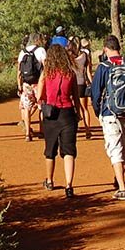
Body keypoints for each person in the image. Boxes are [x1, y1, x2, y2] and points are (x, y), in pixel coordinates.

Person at [89, 35, 125, 201]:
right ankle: (121, 182)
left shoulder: (103, 67)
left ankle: (121, 186)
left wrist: (97, 111)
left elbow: (95, 93)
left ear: (105, 49)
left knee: (116, 149)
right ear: (118, 48)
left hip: (110, 113)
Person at [36, 43, 81, 198]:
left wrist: (43, 101)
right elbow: (76, 97)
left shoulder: (47, 73)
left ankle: (49, 180)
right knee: (69, 151)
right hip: (68, 114)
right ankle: (69, 185)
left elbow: (39, 95)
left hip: (51, 114)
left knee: (50, 150)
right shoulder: (70, 73)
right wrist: (78, 113)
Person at [16, 33, 46, 141]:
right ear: (37, 40)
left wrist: (19, 84)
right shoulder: (41, 50)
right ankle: (42, 131)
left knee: (26, 108)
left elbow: (19, 70)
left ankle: (28, 133)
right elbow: (45, 66)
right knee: (41, 106)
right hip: (38, 83)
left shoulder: (22, 52)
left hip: (26, 83)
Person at [68, 38, 94, 140]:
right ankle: (88, 130)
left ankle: (75, 129)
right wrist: (92, 84)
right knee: (84, 109)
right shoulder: (85, 56)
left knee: (73, 108)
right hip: (81, 84)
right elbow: (88, 72)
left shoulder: (69, 57)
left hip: (71, 84)